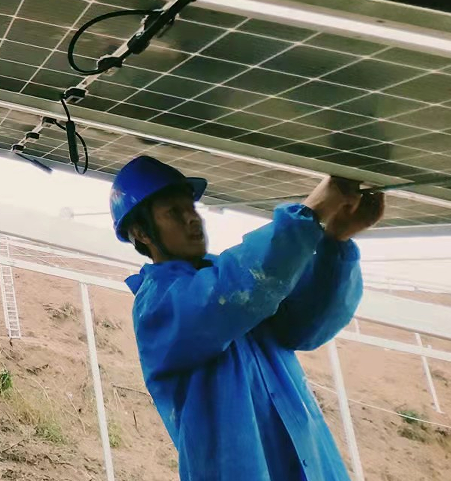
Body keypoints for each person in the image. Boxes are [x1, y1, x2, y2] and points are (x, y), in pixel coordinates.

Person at [110, 155, 385, 481]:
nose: (192, 218)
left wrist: (335, 241)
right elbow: (237, 289)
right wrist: (310, 213)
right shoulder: (159, 306)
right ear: (141, 232)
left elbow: (305, 327)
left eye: (191, 208)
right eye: (174, 212)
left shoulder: (239, 289)